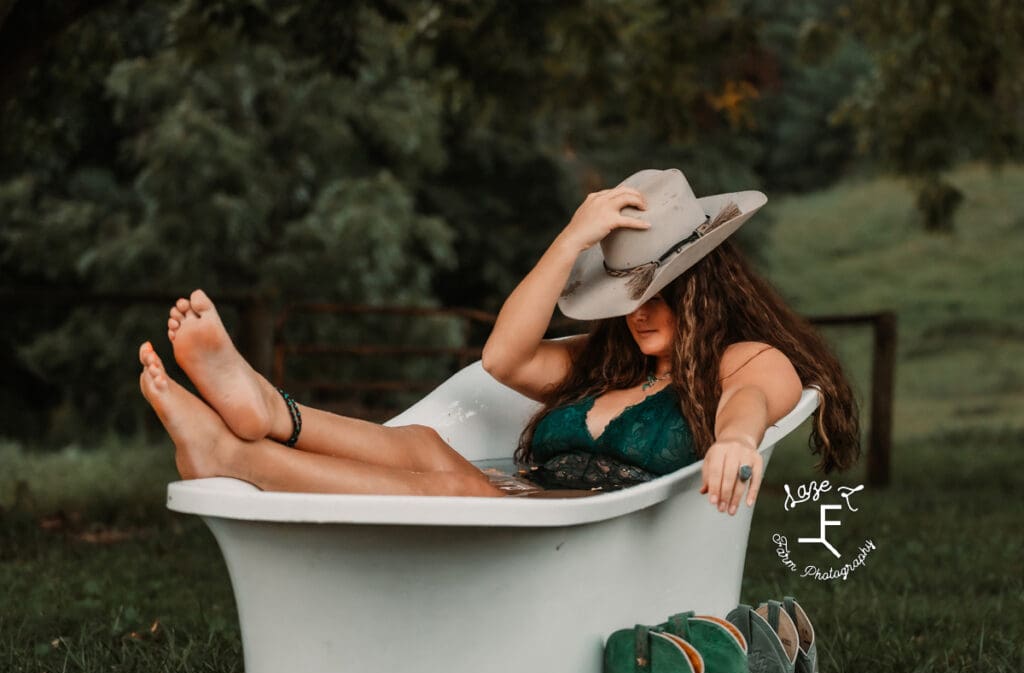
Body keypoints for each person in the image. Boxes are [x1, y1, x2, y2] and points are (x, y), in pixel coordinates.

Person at [138, 168, 859, 514]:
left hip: (568, 536)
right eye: (625, 295)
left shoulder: (742, 357)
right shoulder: (603, 362)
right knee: (427, 447)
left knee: (452, 482)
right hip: (527, 511)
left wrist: (735, 440)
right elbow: (503, 358)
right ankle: (272, 414)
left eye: (658, 294)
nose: (638, 313)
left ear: (705, 287)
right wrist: (573, 237)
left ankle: (232, 453)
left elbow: (758, 399)